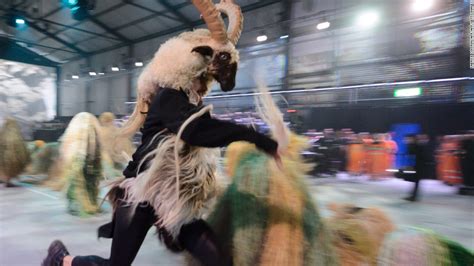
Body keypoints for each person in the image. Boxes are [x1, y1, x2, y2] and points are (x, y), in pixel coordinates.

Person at [41, 1, 280, 265]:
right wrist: (257, 137)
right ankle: (61, 260)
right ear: (194, 67)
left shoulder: (193, 104)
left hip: (173, 198)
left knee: (218, 260)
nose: (206, 85)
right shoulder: (169, 97)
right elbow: (195, 131)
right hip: (142, 195)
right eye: (205, 77)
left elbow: (203, 136)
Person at [405, 134, 429, 202]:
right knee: (415, 182)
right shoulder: (414, 145)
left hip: (418, 166)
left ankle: (414, 197)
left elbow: (417, 155)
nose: (407, 140)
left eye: (408, 139)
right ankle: (413, 196)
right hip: (416, 166)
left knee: (416, 181)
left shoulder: (417, 146)